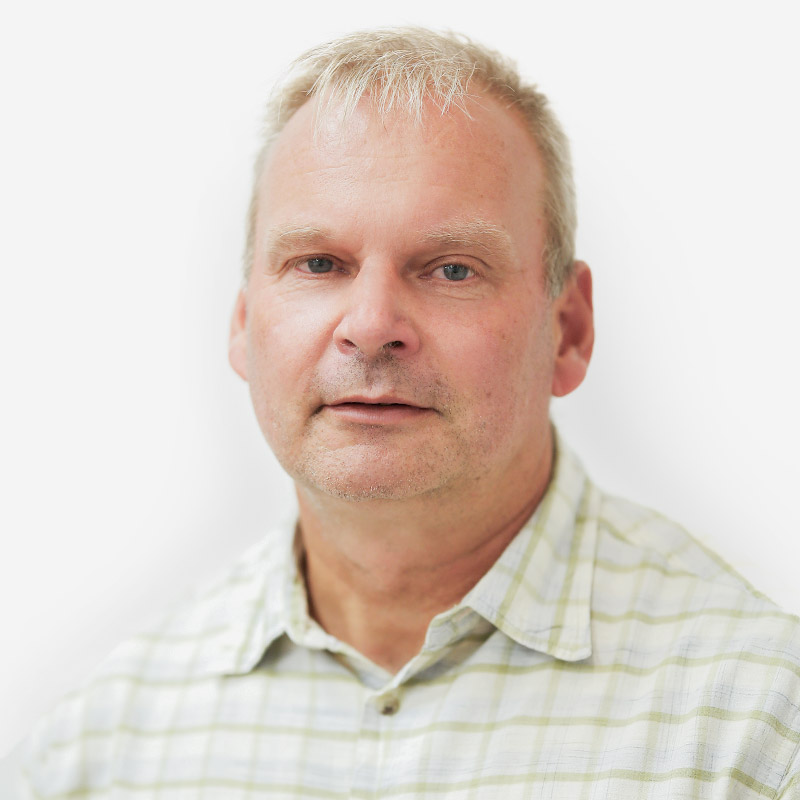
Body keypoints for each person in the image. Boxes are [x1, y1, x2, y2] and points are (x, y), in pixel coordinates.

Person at [9, 26, 800, 799]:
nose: (370, 325)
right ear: (244, 322)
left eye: (452, 269)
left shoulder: (760, 732)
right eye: (319, 263)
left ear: (568, 330)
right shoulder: (99, 753)